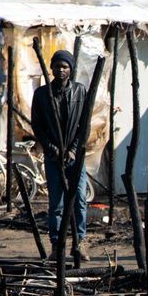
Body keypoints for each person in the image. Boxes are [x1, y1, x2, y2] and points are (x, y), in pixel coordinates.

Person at [31, 49, 90, 259]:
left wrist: (73, 149)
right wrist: (52, 149)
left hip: (75, 156)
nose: (60, 70)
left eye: (65, 66)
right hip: (53, 155)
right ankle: (57, 245)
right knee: (56, 202)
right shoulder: (42, 94)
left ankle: (80, 242)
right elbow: (37, 126)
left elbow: (84, 126)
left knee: (79, 199)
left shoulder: (80, 92)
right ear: (51, 68)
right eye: (57, 66)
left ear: (71, 69)